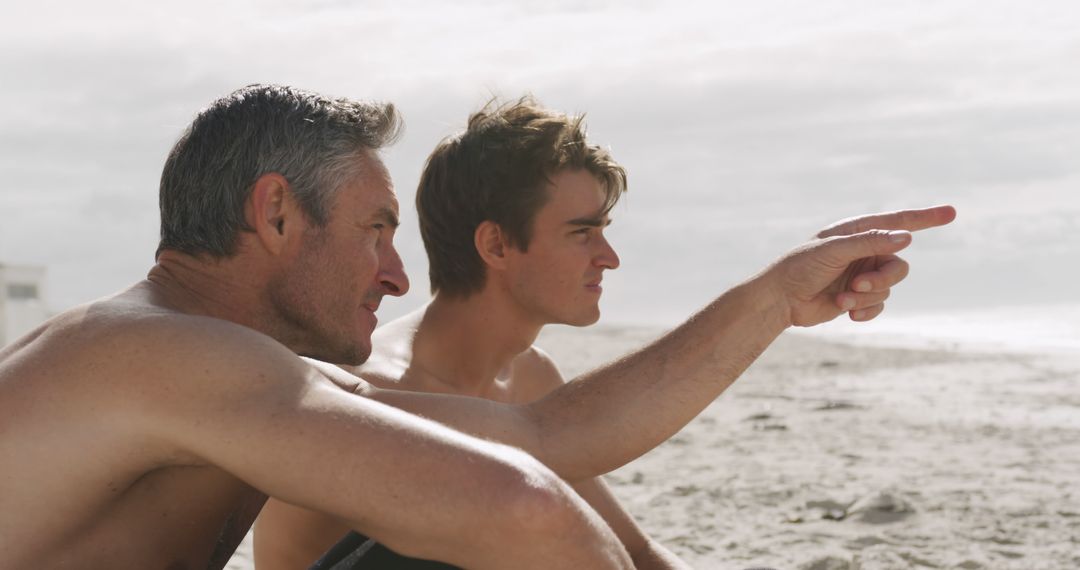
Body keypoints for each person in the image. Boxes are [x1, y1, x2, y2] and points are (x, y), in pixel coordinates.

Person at [0, 83, 955, 570]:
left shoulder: (204, 362)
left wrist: (778, 299)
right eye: (375, 231)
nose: (397, 271)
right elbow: (523, 503)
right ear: (278, 214)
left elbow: (550, 437)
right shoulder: (167, 356)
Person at [254, 96, 693, 569]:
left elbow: (637, 552)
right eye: (582, 232)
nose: (608, 257)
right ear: (496, 244)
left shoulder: (529, 379)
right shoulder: (365, 393)